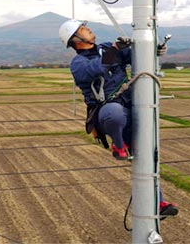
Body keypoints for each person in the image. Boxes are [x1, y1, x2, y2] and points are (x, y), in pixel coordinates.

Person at [59, 19, 178, 219]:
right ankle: (119, 144)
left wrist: (153, 51)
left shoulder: (105, 47)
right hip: (108, 111)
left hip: (133, 105)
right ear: (76, 39)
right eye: (82, 29)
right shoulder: (78, 63)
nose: (88, 29)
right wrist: (115, 49)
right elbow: (95, 69)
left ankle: (157, 203)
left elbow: (135, 57)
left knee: (148, 156)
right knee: (114, 113)